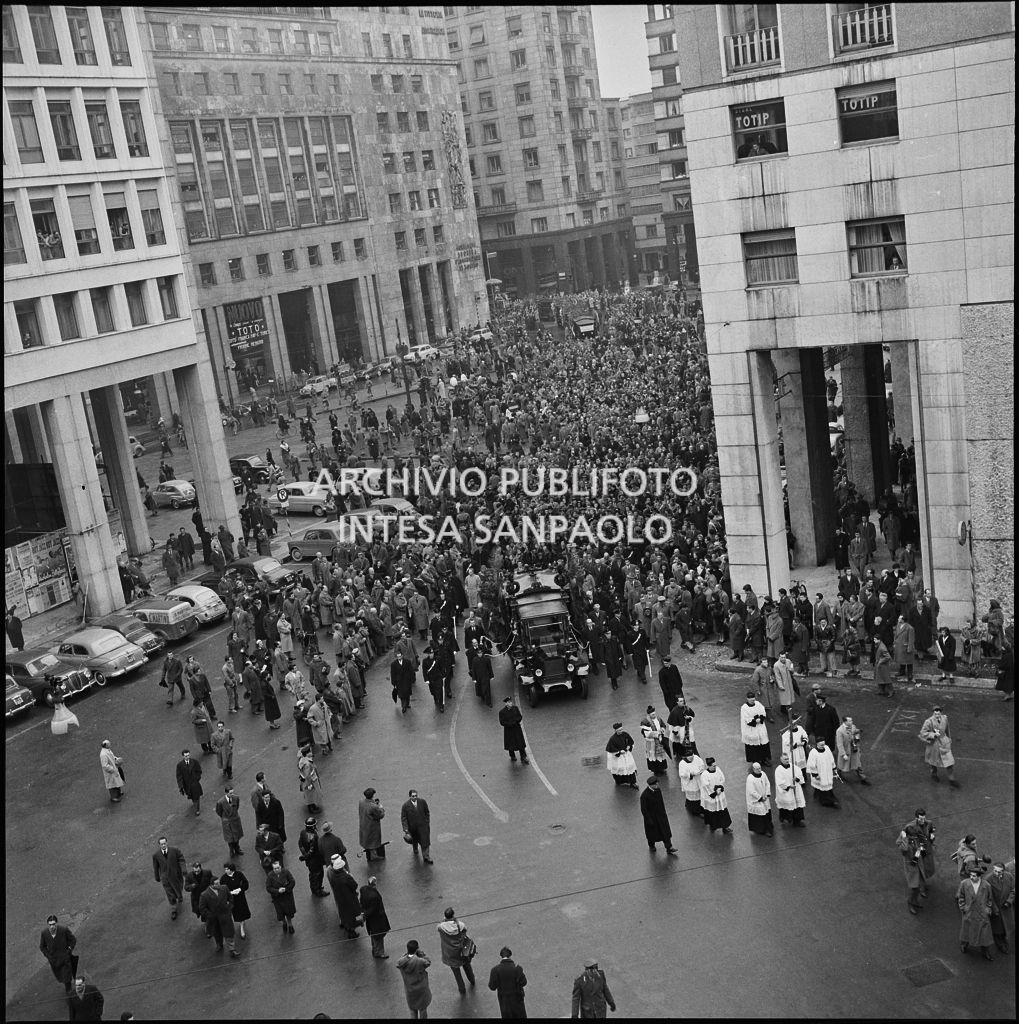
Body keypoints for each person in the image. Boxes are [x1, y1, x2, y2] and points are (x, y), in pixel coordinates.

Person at [896, 809, 937, 915]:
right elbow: (904, 850)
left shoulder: (915, 839)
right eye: (913, 836)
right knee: (914, 887)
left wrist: (926, 844)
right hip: (911, 864)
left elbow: (923, 840)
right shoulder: (905, 842)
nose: (915, 838)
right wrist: (904, 838)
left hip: (918, 861)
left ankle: (915, 901)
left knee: (919, 884)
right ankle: (910, 902)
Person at [957, 867, 996, 961]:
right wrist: (963, 908)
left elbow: (990, 899)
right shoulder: (964, 883)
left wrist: (988, 909)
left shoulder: (986, 885)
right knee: (967, 930)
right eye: (970, 875)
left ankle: (985, 951)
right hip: (969, 912)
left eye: (974, 876)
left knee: (984, 933)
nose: (971, 877)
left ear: (979, 876)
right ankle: (964, 945)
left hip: (982, 913)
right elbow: (961, 896)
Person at [437, 907, 476, 994]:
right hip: (461, 951)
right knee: (467, 966)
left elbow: (439, 925)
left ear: (445, 916)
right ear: (453, 915)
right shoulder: (460, 925)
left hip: (450, 954)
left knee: (456, 973)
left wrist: (444, 921)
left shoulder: (441, 927)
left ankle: (462, 989)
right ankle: (472, 980)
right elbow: (465, 931)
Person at [199, 877, 241, 957]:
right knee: (217, 933)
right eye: (217, 884)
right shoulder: (204, 895)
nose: (219, 885)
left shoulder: (224, 888)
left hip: (225, 915)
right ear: (211, 885)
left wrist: (229, 908)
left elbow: (230, 898)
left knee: (229, 933)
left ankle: (232, 949)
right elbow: (202, 908)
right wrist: (210, 915)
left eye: (219, 883)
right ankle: (219, 944)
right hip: (214, 918)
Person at [919, 705, 959, 786]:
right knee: (933, 761)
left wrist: (949, 738)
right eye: (935, 712)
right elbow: (923, 733)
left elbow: (947, 729)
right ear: (933, 713)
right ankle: (934, 774)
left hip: (944, 743)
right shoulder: (929, 721)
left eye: (938, 712)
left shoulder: (944, 718)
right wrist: (933, 734)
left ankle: (951, 779)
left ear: (941, 712)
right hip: (934, 744)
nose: (937, 714)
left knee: (949, 761)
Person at [639, 775, 677, 855]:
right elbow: (644, 810)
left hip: (661, 815)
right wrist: (649, 820)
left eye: (657, 783)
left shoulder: (658, 790)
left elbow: (661, 802)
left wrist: (664, 813)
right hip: (652, 818)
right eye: (655, 784)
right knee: (652, 834)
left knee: (665, 832)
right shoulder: (644, 795)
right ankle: (651, 845)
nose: (657, 785)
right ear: (651, 785)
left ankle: (669, 847)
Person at [326, 854, 362, 938]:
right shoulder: (345, 877)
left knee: (343, 912)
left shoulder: (330, 872)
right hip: (349, 897)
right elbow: (354, 885)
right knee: (351, 914)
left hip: (339, 896)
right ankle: (351, 931)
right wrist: (350, 876)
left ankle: (344, 923)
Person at [396, 940, 433, 1019]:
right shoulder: (420, 961)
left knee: (412, 1010)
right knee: (423, 1009)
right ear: (417, 949)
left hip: (410, 990)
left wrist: (406, 955)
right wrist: (422, 954)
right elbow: (428, 962)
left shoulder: (402, 962)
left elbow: (399, 962)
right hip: (421, 990)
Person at [39, 915, 77, 992]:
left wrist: (69, 950)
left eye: (53, 924)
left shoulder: (63, 930)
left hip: (65, 958)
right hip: (54, 960)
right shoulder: (44, 933)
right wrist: (49, 956)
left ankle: (69, 992)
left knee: (67, 977)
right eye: (50, 924)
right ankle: (68, 987)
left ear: (56, 923)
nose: (52, 926)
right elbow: (42, 947)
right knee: (60, 976)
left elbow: (73, 940)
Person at [488, 946, 527, 1020]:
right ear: (510, 956)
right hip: (517, 999)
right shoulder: (517, 968)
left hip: (504, 1001)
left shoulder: (495, 970)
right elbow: (524, 982)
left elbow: (492, 987)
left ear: (501, 956)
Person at [152, 836, 186, 919]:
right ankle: (174, 910)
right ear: (159, 845)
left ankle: (179, 896)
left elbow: (181, 859)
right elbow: (156, 867)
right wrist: (157, 876)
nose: (163, 845)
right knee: (170, 894)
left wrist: (184, 870)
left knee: (178, 889)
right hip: (165, 878)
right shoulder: (156, 855)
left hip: (176, 875)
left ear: (167, 843)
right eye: (161, 844)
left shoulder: (175, 850)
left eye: (164, 843)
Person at [360, 876, 392, 959]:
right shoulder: (374, 896)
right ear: (375, 884)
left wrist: (364, 913)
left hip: (371, 920)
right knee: (378, 936)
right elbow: (373, 909)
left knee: (373, 934)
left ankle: (374, 949)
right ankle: (379, 952)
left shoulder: (363, 889)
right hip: (377, 919)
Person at [699, 757, 733, 834]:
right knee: (712, 813)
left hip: (719, 794)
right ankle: (713, 826)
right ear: (709, 766)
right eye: (713, 766)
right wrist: (714, 792)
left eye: (715, 765)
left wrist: (720, 788)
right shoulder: (704, 774)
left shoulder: (718, 769)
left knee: (723, 811)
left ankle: (725, 826)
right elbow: (706, 786)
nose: (715, 767)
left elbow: (722, 779)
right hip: (712, 797)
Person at [298, 816, 330, 897]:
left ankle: (314, 888)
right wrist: (306, 856)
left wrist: (304, 854)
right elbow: (312, 850)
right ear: (313, 826)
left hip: (309, 860)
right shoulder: (313, 836)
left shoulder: (302, 832)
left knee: (312, 874)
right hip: (315, 860)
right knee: (318, 874)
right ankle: (318, 890)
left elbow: (300, 844)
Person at [988, 861, 1015, 954]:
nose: (996, 873)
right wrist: (994, 908)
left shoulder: (1009, 876)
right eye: (995, 871)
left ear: (1003, 871)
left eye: (999, 872)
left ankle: (1004, 940)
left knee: (1006, 926)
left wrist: (1009, 901)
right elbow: (989, 896)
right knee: (997, 929)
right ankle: (1000, 944)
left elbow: (1013, 890)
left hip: (1006, 907)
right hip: (996, 908)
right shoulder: (988, 879)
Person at [219, 862, 251, 941]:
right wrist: (230, 893)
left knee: (242, 910)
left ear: (231, 869)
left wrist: (240, 889)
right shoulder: (223, 878)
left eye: (227, 869)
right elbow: (222, 889)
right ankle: (240, 924)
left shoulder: (239, 874)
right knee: (235, 912)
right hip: (231, 899)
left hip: (240, 897)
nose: (226, 871)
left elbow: (245, 883)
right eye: (225, 869)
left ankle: (242, 925)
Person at [835, 715, 871, 785]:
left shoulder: (853, 726)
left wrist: (858, 731)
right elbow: (839, 744)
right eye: (850, 721)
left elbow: (854, 731)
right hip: (846, 751)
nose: (852, 722)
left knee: (858, 764)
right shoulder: (839, 731)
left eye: (851, 720)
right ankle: (838, 773)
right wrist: (843, 754)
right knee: (841, 765)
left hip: (854, 750)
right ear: (845, 722)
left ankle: (863, 778)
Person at [266, 857, 297, 934]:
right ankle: (284, 922)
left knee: (289, 912)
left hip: (287, 896)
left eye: (278, 868)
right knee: (281, 913)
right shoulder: (270, 876)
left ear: (280, 867)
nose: (276, 870)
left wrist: (286, 889)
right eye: (275, 868)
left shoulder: (286, 872)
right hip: (277, 898)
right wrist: (277, 891)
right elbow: (268, 888)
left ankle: (290, 924)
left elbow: (292, 882)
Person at [774, 753, 806, 827]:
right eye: (785, 759)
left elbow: (799, 774)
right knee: (787, 806)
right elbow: (779, 782)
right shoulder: (778, 770)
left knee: (797, 806)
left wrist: (797, 779)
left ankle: (797, 821)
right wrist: (789, 786)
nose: (787, 760)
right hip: (787, 791)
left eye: (788, 759)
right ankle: (787, 818)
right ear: (781, 760)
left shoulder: (793, 767)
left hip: (796, 789)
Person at [739, 692, 771, 765]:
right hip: (751, 729)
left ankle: (764, 759)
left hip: (760, 728)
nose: (752, 701)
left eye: (753, 699)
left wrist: (761, 718)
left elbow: (762, 712)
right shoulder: (744, 708)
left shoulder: (758, 704)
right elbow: (746, 718)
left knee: (763, 744)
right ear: (747, 699)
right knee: (753, 746)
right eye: (750, 699)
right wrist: (754, 721)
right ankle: (756, 760)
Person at [401, 789, 432, 863]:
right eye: (413, 796)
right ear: (410, 796)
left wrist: (427, 822)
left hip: (423, 827)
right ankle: (415, 848)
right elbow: (404, 818)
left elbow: (427, 812)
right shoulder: (405, 806)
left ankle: (426, 857)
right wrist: (406, 829)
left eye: (416, 796)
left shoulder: (422, 802)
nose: (415, 797)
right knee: (414, 840)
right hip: (413, 828)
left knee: (425, 842)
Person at [806, 739, 840, 807]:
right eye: (821, 745)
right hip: (820, 773)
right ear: (817, 744)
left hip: (827, 771)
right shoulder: (813, 752)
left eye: (824, 744)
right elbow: (811, 765)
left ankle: (828, 796)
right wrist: (815, 774)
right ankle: (825, 801)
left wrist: (834, 767)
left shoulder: (827, 748)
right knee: (821, 786)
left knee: (827, 785)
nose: (823, 746)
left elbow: (831, 758)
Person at [605, 723, 639, 789]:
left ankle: (633, 782)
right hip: (619, 757)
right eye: (619, 730)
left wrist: (629, 746)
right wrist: (619, 752)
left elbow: (630, 741)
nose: (621, 731)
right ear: (616, 730)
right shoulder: (612, 739)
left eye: (622, 729)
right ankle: (620, 781)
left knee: (630, 768)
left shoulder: (625, 734)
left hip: (626, 754)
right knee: (620, 769)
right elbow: (611, 749)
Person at [215, 784, 244, 858]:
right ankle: (231, 850)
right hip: (227, 822)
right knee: (230, 838)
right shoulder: (220, 802)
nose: (232, 794)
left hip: (235, 819)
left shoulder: (236, 798)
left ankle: (237, 848)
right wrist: (225, 818)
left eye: (232, 792)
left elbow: (237, 807)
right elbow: (219, 812)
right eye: (230, 793)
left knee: (237, 836)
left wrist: (234, 814)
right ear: (226, 793)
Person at [745, 763, 774, 837]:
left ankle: (769, 826)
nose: (759, 770)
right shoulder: (750, 778)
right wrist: (760, 798)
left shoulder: (763, 774)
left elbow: (767, 783)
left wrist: (767, 794)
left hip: (765, 798)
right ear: (753, 769)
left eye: (759, 768)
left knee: (766, 813)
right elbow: (751, 791)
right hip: (756, 800)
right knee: (761, 813)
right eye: (757, 769)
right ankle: (762, 829)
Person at [498, 696, 529, 764]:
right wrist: (509, 724)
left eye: (511, 702)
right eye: (509, 702)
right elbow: (502, 722)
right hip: (509, 730)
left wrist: (516, 721)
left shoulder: (515, 708)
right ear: (506, 703)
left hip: (517, 729)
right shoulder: (502, 712)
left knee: (520, 743)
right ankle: (512, 756)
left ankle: (523, 757)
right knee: (510, 744)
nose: (511, 703)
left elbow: (520, 716)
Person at [640, 706, 670, 773]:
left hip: (659, 740)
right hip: (651, 742)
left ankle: (662, 768)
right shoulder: (645, 722)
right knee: (652, 755)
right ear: (649, 715)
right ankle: (655, 770)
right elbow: (646, 733)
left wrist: (662, 729)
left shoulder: (658, 718)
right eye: (652, 714)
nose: (654, 715)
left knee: (660, 755)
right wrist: (657, 733)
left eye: (654, 714)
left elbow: (663, 725)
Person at [359, 788, 387, 861]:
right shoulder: (373, 807)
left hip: (364, 824)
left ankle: (371, 854)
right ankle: (373, 856)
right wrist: (381, 808)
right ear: (372, 795)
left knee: (367, 840)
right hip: (372, 826)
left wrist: (374, 803)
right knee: (373, 841)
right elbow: (380, 815)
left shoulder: (361, 802)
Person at [677, 750, 706, 818]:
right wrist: (690, 774)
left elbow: (702, 765)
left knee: (699, 795)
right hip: (690, 783)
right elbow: (682, 774)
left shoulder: (696, 758)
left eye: (692, 756)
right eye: (689, 757)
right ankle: (695, 812)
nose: (691, 758)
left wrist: (699, 770)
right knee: (692, 798)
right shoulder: (682, 763)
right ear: (685, 757)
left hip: (698, 780)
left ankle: (697, 807)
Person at [176, 748, 203, 816]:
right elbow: (179, 776)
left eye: (188, 755)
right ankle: (195, 804)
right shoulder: (180, 765)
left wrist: (197, 778)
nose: (187, 757)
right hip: (187, 784)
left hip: (195, 783)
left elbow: (199, 771)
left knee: (196, 796)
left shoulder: (194, 762)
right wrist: (181, 786)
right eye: (186, 756)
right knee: (192, 796)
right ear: (183, 756)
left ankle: (197, 809)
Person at [298, 746, 323, 814]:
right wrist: (309, 784)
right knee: (310, 794)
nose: (311, 753)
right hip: (311, 781)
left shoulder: (303, 760)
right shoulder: (307, 764)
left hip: (308, 780)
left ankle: (313, 805)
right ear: (307, 754)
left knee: (311, 794)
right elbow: (307, 775)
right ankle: (311, 808)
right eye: (310, 752)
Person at [391, 649, 416, 714]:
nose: (399, 657)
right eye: (397, 656)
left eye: (400, 656)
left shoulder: (407, 662)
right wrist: (393, 682)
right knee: (401, 695)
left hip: (407, 680)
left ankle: (407, 704)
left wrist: (412, 678)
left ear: (402, 656)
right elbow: (392, 674)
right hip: (399, 682)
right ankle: (403, 706)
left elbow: (411, 671)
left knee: (407, 693)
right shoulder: (393, 664)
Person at [873, 626, 894, 696]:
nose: (874, 641)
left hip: (883, 666)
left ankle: (891, 691)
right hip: (880, 665)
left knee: (886, 679)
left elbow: (888, 657)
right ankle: (881, 690)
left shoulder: (882, 647)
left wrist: (880, 661)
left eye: (875, 639)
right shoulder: (878, 645)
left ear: (879, 640)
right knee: (880, 678)